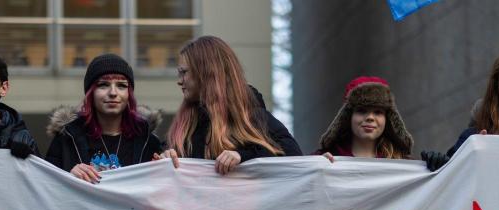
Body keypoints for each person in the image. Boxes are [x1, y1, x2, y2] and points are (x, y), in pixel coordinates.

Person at [157, 35, 301, 175]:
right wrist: (164, 157)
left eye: (183, 72)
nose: (180, 81)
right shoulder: (185, 126)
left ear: (205, 72)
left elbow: (293, 155)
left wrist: (242, 156)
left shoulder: (252, 117)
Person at [45, 53, 162, 183]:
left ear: (129, 94)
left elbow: (160, 191)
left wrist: (165, 164)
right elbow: (48, 186)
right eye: (103, 85)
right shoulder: (66, 139)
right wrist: (68, 175)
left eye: (121, 86)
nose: (113, 93)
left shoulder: (148, 141)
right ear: (91, 93)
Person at [316, 76, 412, 160]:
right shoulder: (326, 158)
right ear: (348, 117)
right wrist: (318, 167)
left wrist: (426, 170)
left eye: (378, 112)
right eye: (361, 111)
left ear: (388, 119)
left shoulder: (402, 163)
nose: (370, 117)